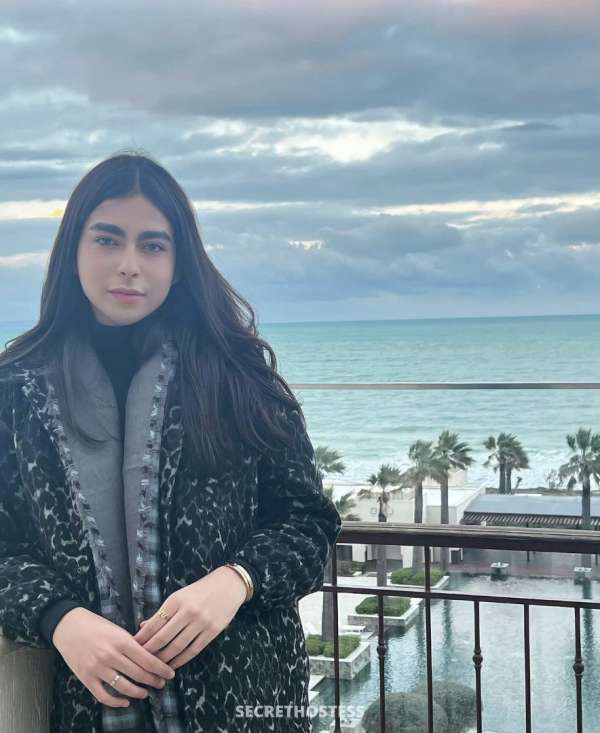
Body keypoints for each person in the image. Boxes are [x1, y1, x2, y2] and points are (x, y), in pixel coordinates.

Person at [0, 151, 342, 732]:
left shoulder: (237, 375)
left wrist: (235, 581)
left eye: (153, 245)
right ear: (72, 251)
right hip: (88, 706)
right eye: (107, 240)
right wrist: (61, 619)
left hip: (247, 701)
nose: (129, 266)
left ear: (179, 263)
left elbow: (309, 522)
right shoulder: (17, 389)